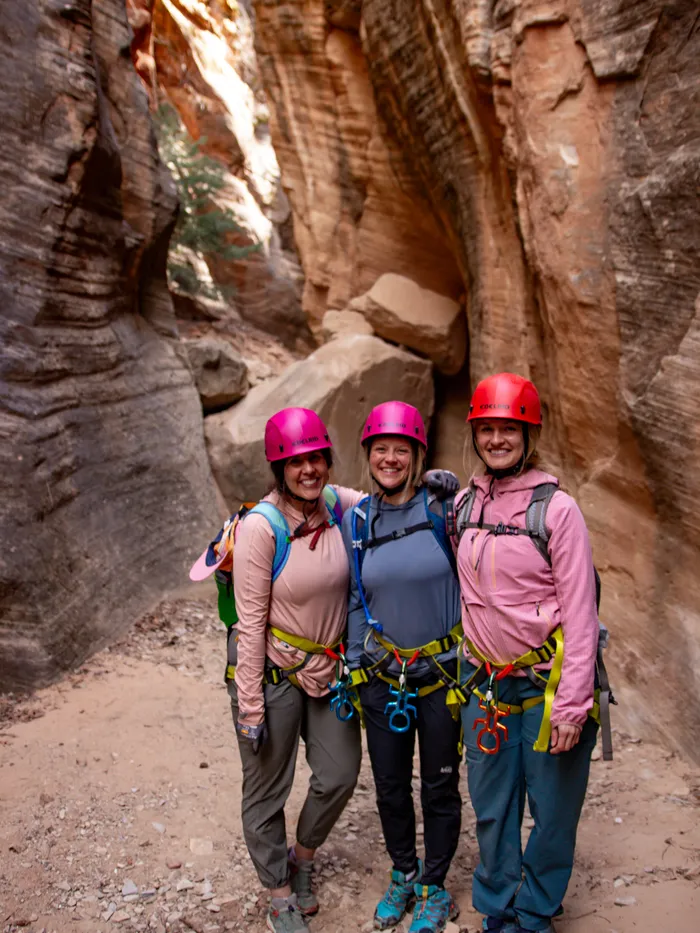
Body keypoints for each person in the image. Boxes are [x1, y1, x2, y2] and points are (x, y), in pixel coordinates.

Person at [226, 407, 457, 933]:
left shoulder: (337, 504)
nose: (308, 470)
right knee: (267, 785)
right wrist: (250, 706)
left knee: (339, 775)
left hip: (331, 674)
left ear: (329, 462)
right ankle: (279, 891)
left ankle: (301, 858)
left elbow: (391, 499)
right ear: (278, 467)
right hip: (274, 674)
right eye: (295, 462)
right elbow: (250, 622)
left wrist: (442, 487)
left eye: (316, 459)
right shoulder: (262, 528)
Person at [455, 373, 600, 933]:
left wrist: (571, 705)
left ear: (528, 433)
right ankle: (497, 906)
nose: (496, 439)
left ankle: (536, 910)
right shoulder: (465, 504)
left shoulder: (557, 510)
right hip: (485, 683)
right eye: (487, 429)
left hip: (545, 680)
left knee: (553, 808)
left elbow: (581, 610)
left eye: (508, 429)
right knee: (492, 805)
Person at [342, 401, 463, 933]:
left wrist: (456, 488)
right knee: (390, 784)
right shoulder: (358, 519)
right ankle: (403, 873)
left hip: (440, 675)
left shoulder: (443, 510)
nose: (390, 458)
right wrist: (352, 661)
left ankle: (435, 887)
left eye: (401, 449)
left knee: (438, 784)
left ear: (416, 455)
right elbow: (352, 596)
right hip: (381, 678)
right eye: (381, 449)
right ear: (368, 455)